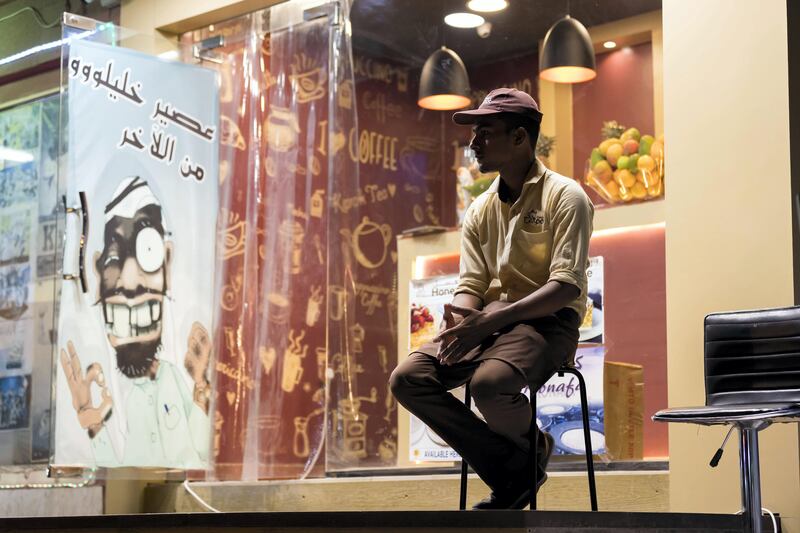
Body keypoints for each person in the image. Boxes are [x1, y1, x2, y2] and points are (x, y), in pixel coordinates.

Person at [390, 88, 593, 509]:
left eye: (485, 132)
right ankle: (518, 467)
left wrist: (488, 322)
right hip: (489, 322)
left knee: (489, 385)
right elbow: (473, 284)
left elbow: (567, 287)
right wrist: (461, 321)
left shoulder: (565, 196)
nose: (474, 143)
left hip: (547, 323)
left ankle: (518, 469)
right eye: (475, 133)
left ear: (520, 137)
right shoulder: (481, 209)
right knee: (408, 378)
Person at [59, 176, 211, 467]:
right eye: (114, 258)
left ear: (166, 260)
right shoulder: (130, 401)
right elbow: (121, 469)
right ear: (96, 269)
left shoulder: (172, 377)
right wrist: (90, 420)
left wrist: (201, 385)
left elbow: (201, 449)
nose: (129, 282)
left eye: (148, 253)